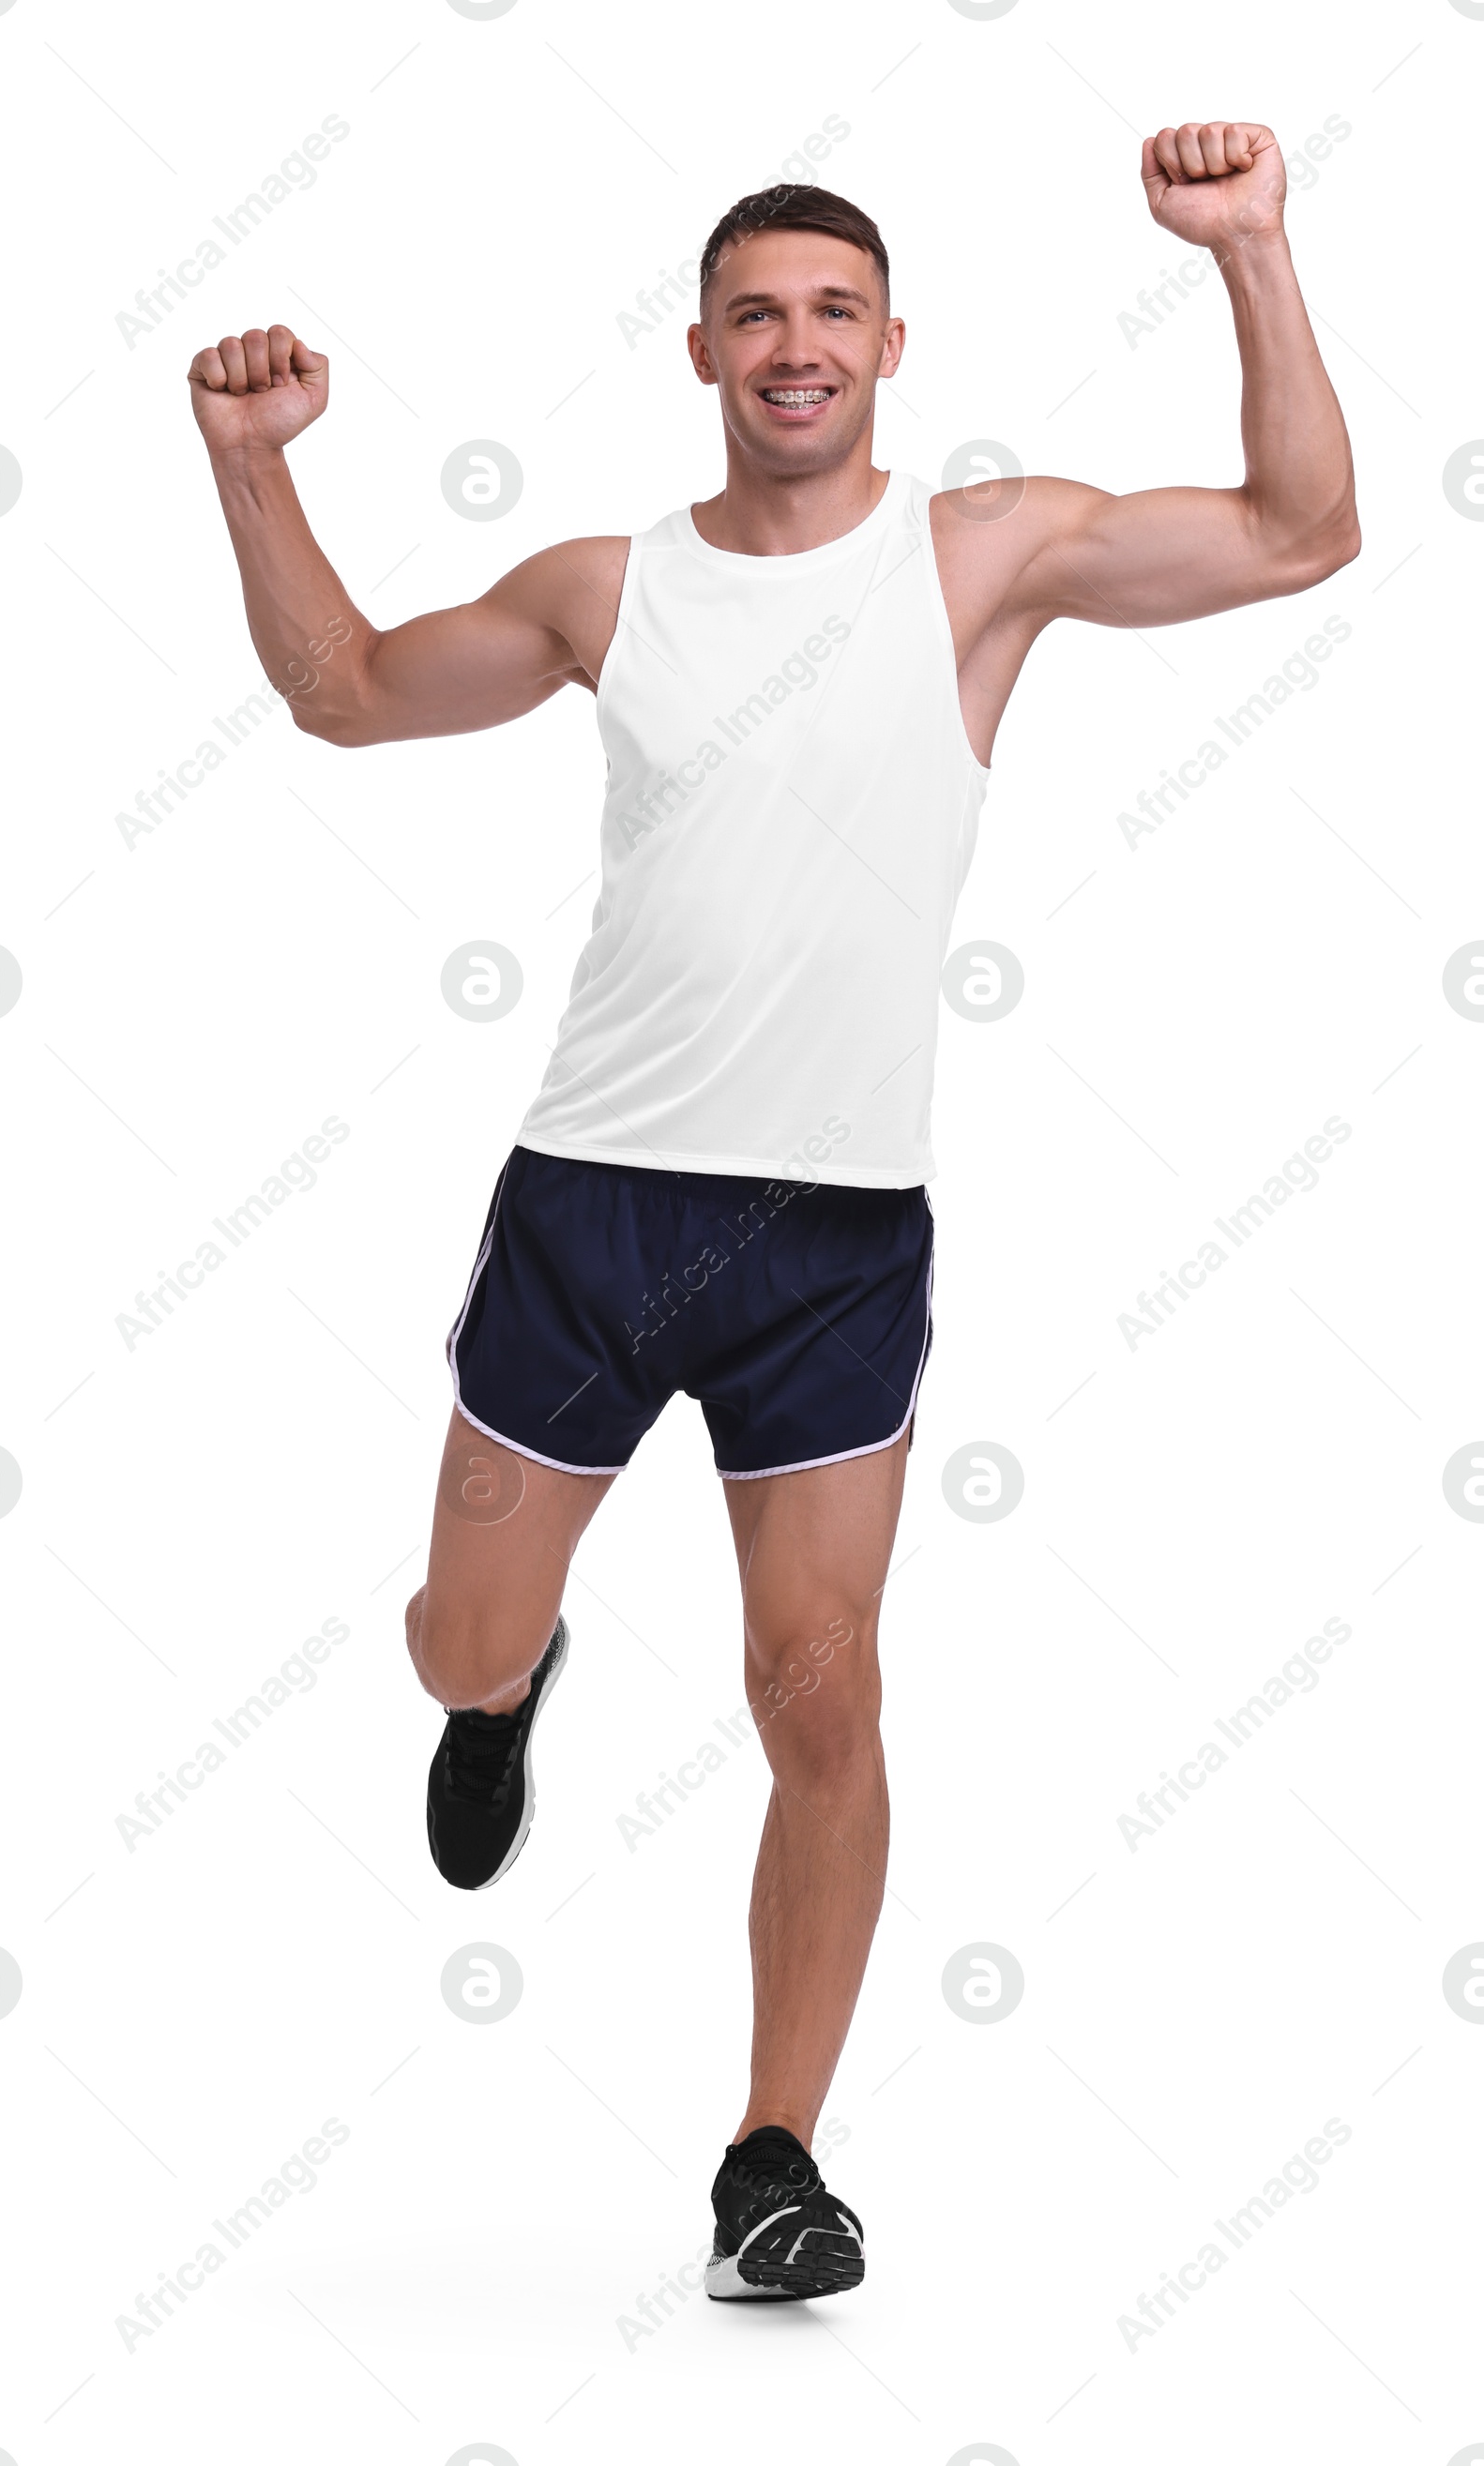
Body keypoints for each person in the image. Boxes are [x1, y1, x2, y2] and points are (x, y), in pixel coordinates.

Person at [188, 123, 1358, 2302]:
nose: (795, 345)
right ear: (701, 353)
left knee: (820, 1694)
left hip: (834, 1239)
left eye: (834, 311)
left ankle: (772, 2154)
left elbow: (1304, 531)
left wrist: (1251, 251)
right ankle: (497, 1683)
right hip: (591, 1220)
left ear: (890, 348)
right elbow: (341, 693)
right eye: (757, 313)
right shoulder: (601, 590)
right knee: (454, 1638)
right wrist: (253, 463)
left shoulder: (981, 557)